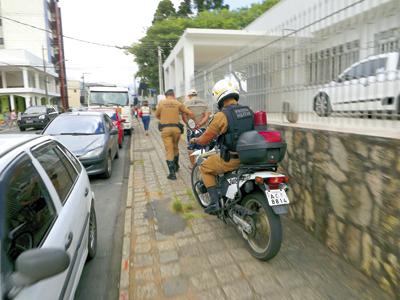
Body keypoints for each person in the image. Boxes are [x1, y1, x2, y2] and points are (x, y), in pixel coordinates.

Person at [190, 79, 254, 214]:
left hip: (233, 159)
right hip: (251, 157)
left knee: (205, 167)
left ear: (218, 96)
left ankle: (215, 203)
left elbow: (205, 139)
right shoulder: (249, 111)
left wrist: (195, 140)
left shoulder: (221, 116)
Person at [155, 89, 194, 180]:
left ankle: (172, 174)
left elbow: (157, 115)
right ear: (173, 95)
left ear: (166, 95)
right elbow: (189, 112)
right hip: (176, 130)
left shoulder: (161, 103)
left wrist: (164, 117)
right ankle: (176, 166)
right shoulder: (177, 103)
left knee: (169, 150)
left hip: (166, 130)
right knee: (175, 147)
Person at [182, 89, 211, 168]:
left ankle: (192, 165)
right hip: (202, 128)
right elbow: (206, 116)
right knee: (203, 146)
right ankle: (203, 164)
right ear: (196, 94)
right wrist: (200, 124)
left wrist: (190, 125)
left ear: (189, 96)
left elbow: (184, 116)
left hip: (191, 129)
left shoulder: (186, 104)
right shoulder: (204, 103)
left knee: (191, 147)